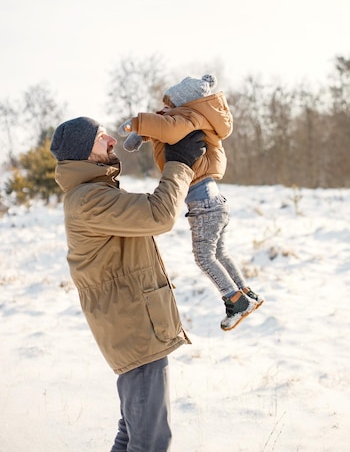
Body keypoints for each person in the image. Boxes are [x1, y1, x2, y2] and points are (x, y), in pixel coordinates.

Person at [50, 115, 206, 452]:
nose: (111, 142)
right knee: (150, 441)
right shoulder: (89, 199)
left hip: (135, 325)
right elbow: (159, 214)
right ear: (83, 153)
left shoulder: (95, 193)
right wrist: (179, 163)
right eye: (101, 138)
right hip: (134, 328)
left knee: (134, 434)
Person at [118, 73, 264, 332]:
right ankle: (246, 293)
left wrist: (136, 123)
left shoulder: (189, 118)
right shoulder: (193, 118)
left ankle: (235, 300)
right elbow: (164, 130)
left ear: (185, 103)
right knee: (219, 253)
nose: (167, 108)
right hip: (214, 201)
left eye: (171, 104)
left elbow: (168, 129)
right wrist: (141, 135)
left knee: (204, 257)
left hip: (204, 205)